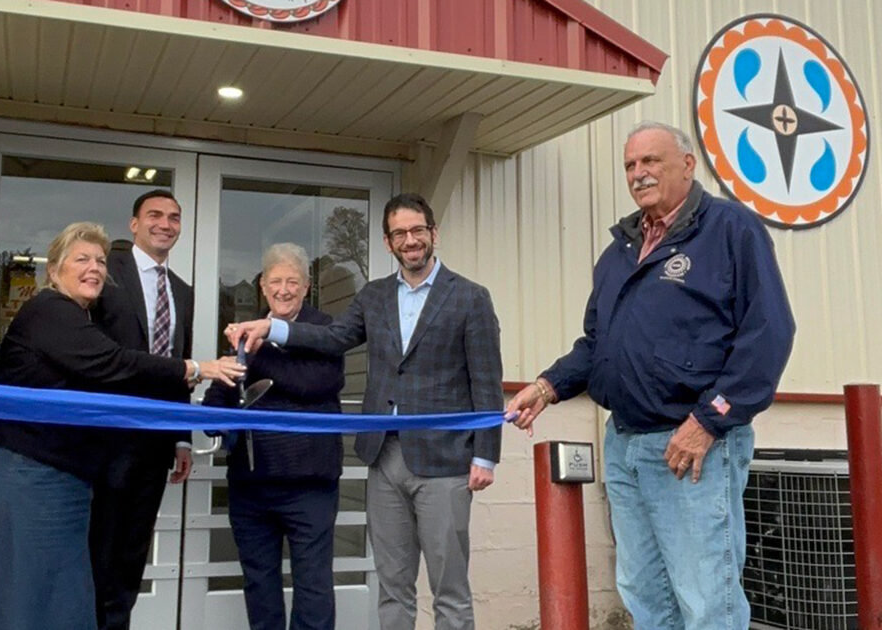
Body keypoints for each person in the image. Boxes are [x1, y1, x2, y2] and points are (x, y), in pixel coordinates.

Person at [505, 121, 795, 630]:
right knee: (645, 596)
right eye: (630, 166)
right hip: (626, 446)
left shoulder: (730, 229)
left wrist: (708, 421)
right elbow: (599, 344)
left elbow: (768, 333)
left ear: (688, 164)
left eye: (650, 161)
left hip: (692, 444)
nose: (638, 174)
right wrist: (547, 386)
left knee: (707, 600)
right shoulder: (618, 252)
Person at [226, 193, 503, 630]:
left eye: (417, 230)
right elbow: (334, 338)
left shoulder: (470, 297)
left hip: (446, 459)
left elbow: (486, 380)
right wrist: (273, 328)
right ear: (388, 242)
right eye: (399, 234)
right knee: (392, 586)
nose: (410, 240)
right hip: (383, 457)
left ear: (433, 233)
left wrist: (485, 455)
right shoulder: (374, 295)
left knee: (449, 590)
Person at [0, 222, 244, 630]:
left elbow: (112, 373)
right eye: (82, 259)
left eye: (101, 261)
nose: (94, 268)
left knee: (55, 603)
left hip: (50, 476)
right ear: (54, 270)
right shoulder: (50, 310)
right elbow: (112, 364)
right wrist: (196, 368)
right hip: (18, 474)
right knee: (20, 603)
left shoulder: (79, 319)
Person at [204, 243, 344, 630]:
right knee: (259, 584)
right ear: (263, 287)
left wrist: (260, 348)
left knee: (313, 587)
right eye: (276, 282)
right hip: (251, 484)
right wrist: (218, 412)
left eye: (292, 282)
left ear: (306, 287)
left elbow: (313, 383)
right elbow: (219, 398)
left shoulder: (326, 330)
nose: (284, 290)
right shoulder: (245, 334)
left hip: (309, 485)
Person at [88, 189, 194, 630]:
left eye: (173, 217)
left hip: (155, 442)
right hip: (104, 439)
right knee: (97, 552)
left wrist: (182, 436)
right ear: (134, 224)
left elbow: (180, 365)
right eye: (154, 215)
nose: (164, 224)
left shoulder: (182, 291)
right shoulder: (105, 273)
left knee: (131, 556)